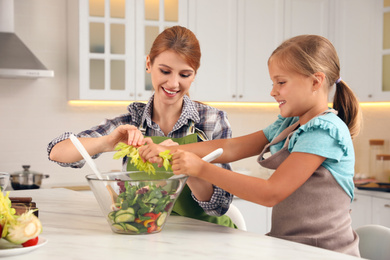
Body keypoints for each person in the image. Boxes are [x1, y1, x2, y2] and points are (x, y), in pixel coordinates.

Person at [138, 35, 361, 256]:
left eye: (281, 82)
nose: (273, 91)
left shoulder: (324, 130)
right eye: (273, 83)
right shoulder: (289, 124)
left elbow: (270, 193)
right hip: (291, 248)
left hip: (326, 253)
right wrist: (170, 150)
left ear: (315, 81)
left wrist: (201, 169)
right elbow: (232, 147)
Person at [47, 26, 236, 228]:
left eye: (185, 74)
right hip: (144, 231)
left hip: (205, 237)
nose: (173, 83)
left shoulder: (211, 121)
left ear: (194, 75)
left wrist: (186, 165)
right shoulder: (131, 121)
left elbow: (220, 206)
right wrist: (107, 142)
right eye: (165, 71)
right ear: (149, 64)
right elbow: (57, 151)